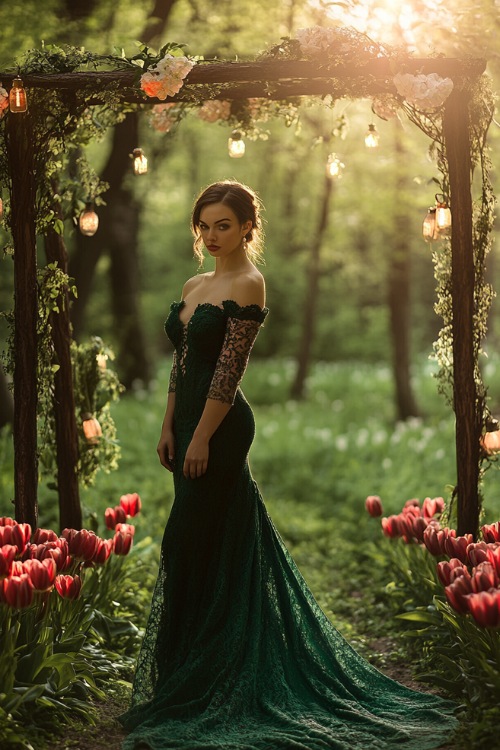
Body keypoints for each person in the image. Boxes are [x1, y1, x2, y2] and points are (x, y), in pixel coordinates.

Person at [120, 180, 456, 749]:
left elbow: (228, 374)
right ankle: (187, 672)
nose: (211, 235)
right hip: (187, 422)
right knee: (190, 544)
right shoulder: (193, 283)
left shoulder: (248, 283)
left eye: (223, 224)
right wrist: (167, 424)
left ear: (248, 226)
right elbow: (182, 365)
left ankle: (224, 673)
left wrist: (201, 437)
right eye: (203, 225)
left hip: (222, 428)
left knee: (199, 537)